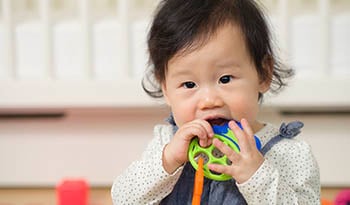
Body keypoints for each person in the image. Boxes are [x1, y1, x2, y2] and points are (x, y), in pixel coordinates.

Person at [111, 0, 320, 204]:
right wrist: (168, 162)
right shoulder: (166, 142)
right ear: (165, 88)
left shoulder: (289, 154)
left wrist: (257, 176)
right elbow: (123, 198)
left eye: (225, 79)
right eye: (189, 84)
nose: (209, 101)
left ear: (263, 74)